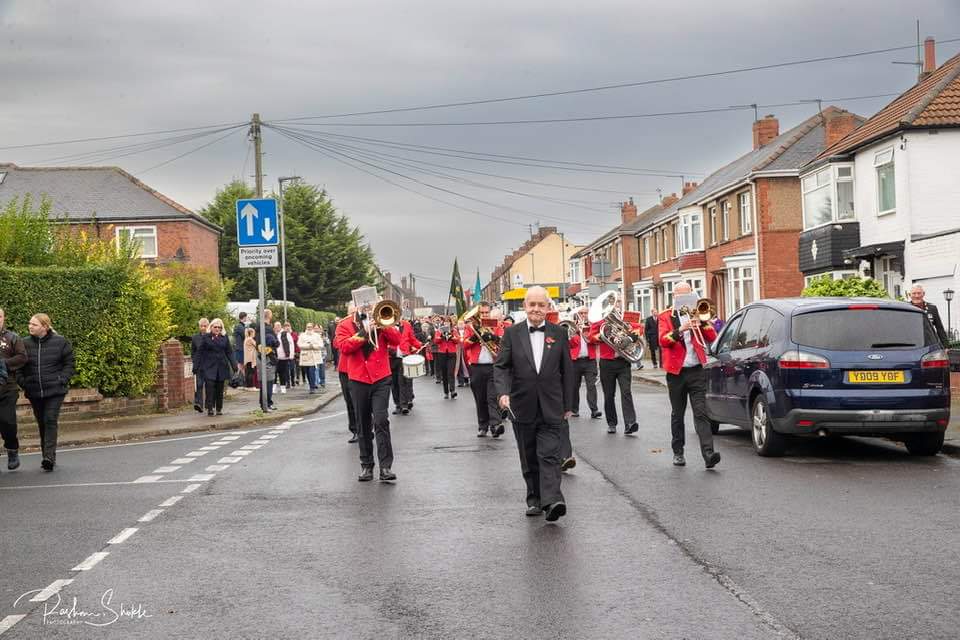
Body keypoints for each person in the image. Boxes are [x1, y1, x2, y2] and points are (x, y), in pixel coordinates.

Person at [494, 287, 574, 522]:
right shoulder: (512, 333)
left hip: (552, 404)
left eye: (541, 305)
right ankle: (534, 499)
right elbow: (501, 366)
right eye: (532, 305)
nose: (536, 309)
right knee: (529, 455)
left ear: (548, 307)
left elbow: (567, 370)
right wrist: (503, 393)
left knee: (549, 454)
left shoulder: (559, 333)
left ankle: (553, 501)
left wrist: (569, 404)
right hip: (522, 404)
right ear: (525, 306)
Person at [337, 302, 402, 482]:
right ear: (356, 308)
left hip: (381, 378)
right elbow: (344, 347)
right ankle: (366, 465)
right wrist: (364, 332)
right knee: (363, 423)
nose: (366, 308)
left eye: (370, 305)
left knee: (381, 420)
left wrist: (383, 325)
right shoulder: (345, 325)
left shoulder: (382, 321)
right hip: (358, 379)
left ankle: (386, 467)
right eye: (362, 306)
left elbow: (397, 340)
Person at [659, 282, 721, 469]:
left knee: (701, 413)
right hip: (676, 372)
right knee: (678, 414)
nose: (685, 299)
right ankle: (678, 452)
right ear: (675, 297)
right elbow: (663, 340)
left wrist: (702, 323)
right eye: (681, 296)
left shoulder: (697, 314)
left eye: (688, 295)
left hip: (696, 370)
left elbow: (712, 337)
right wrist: (681, 329)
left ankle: (709, 454)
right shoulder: (666, 316)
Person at [19, 314, 75, 471]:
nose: (30, 326)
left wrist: (62, 379)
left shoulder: (60, 342)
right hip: (34, 391)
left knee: (50, 419)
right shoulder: (24, 343)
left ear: (44, 327)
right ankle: (47, 455)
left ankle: (49, 457)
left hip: (55, 390)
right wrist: (24, 383)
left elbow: (69, 363)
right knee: (42, 423)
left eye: (34, 324)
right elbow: (19, 367)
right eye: (30, 323)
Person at [588, 298, 641, 435]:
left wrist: (632, 336)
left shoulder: (625, 319)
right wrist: (602, 336)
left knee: (626, 392)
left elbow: (638, 329)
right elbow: (591, 337)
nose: (615, 306)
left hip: (623, 361)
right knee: (609, 395)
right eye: (612, 304)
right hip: (607, 362)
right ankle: (612, 423)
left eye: (617, 303)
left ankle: (630, 423)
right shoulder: (600, 321)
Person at [463, 302, 505, 438]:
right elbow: (464, 345)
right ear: (478, 313)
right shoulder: (470, 327)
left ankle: (496, 425)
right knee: (480, 398)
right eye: (482, 313)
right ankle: (483, 426)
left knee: (492, 397)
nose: (484, 315)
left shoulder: (496, 325)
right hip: (477, 367)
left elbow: (504, 342)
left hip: (493, 366)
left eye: (487, 312)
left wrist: (492, 337)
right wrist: (475, 337)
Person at [0, 309, 27, 471]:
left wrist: (4, 363)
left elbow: (22, 357)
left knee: (7, 422)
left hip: (7, 388)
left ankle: (12, 450)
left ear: (4, 318)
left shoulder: (12, 338)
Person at [197, 318, 241, 417]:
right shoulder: (206, 337)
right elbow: (200, 352)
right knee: (210, 387)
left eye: (219, 327)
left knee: (219, 388)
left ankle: (219, 408)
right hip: (209, 367)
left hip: (221, 366)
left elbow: (229, 352)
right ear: (211, 327)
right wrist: (197, 366)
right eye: (215, 327)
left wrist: (234, 365)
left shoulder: (224, 337)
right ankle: (210, 408)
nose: (217, 329)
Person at [568, 306, 601, 420]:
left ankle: (594, 410)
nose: (583, 315)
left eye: (585, 313)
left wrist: (587, 334)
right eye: (581, 313)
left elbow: (596, 341)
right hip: (575, 361)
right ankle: (574, 410)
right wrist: (574, 332)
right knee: (574, 386)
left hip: (589, 360)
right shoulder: (572, 327)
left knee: (591, 386)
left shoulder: (593, 326)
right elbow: (570, 345)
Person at [333, 306, 359, 442]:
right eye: (352, 312)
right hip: (346, 369)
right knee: (350, 401)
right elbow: (336, 344)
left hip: (361, 368)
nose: (354, 314)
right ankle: (355, 429)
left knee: (362, 401)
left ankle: (366, 425)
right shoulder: (343, 325)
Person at [389, 317, 422, 415]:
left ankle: (404, 405)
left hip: (405, 357)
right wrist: (394, 352)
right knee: (394, 383)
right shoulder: (386, 325)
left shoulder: (406, 325)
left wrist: (419, 345)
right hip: (392, 358)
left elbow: (412, 338)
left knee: (403, 381)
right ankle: (398, 404)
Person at [255, 309, 279, 411]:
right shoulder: (268, 328)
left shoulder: (258, 327)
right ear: (270, 316)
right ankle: (267, 403)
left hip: (260, 356)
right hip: (268, 356)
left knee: (264, 381)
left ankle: (265, 403)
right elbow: (275, 342)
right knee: (269, 381)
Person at [433, 318, 460, 399]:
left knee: (451, 372)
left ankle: (452, 391)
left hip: (452, 353)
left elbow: (457, 340)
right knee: (444, 373)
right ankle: (446, 392)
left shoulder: (454, 330)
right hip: (442, 353)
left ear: (450, 323)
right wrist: (441, 336)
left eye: (448, 322)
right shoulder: (439, 330)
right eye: (445, 322)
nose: (446, 324)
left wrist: (452, 337)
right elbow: (435, 341)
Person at [298, 323, 325, 394]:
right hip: (305, 356)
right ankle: (311, 384)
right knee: (307, 372)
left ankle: (312, 387)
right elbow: (299, 344)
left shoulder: (317, 335)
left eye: (310, 327)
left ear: (312, 328)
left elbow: (321, 345)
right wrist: (308, 346)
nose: (309, 328)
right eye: (308, 327)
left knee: (312, 371)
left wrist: (313, 346)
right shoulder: (302, 335)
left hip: (314, 356)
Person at [191, 318, 209, 413]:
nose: (203, 328)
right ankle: (199, 404)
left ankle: (208, 404)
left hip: (209, 366)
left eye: (205, 326)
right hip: (199, 366)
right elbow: (193, 352)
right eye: (201, 326)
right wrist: (195, 361)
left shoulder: (211, 337)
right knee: (199, 384)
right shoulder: (195, 338)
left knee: (209, 385)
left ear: (208, 326)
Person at [276, 321, 294, 393]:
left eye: (278, 326)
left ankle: (284, 386)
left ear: (281, 326)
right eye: (276, 326)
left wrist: (291, 355)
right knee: (275, 372)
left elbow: (291, 344)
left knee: (284, 372)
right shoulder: (274, 334)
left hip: (284, 356)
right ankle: (275, 387)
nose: (277, 327)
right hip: (276, 356)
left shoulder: (286, 334)